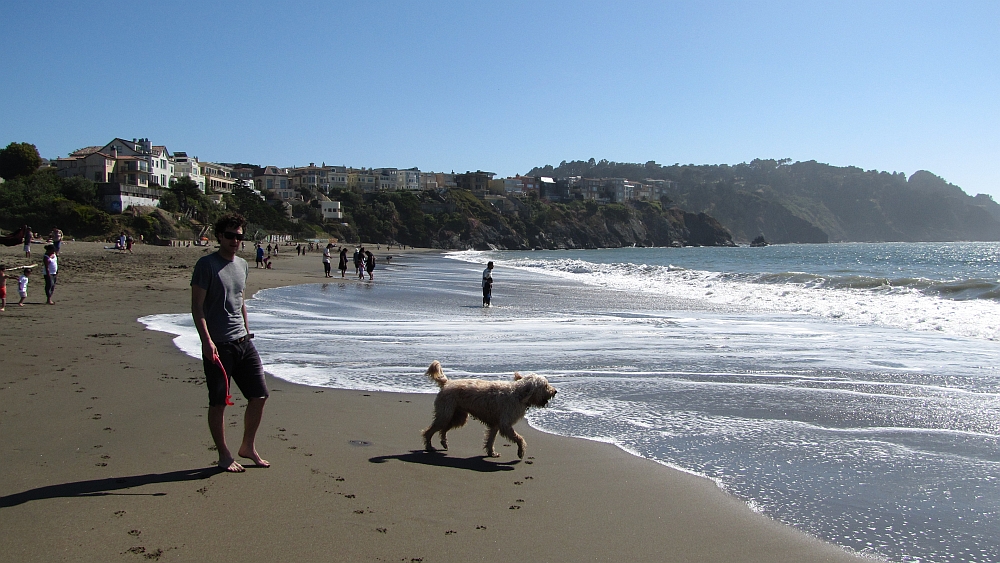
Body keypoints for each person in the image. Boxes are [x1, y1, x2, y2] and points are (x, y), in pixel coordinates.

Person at [191, 213, 269, 473]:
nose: (235, 240)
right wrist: (207, 342)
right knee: (219, 402)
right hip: (219, 345)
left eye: (239, 236)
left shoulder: (243, 265)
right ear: (219, 236)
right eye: (230, 236)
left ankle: (247, 447)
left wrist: (247, 331)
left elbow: (240, 300)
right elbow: (197, 307)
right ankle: (224, 455)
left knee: (259, 395)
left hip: (243, 342)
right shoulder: (206, 265)